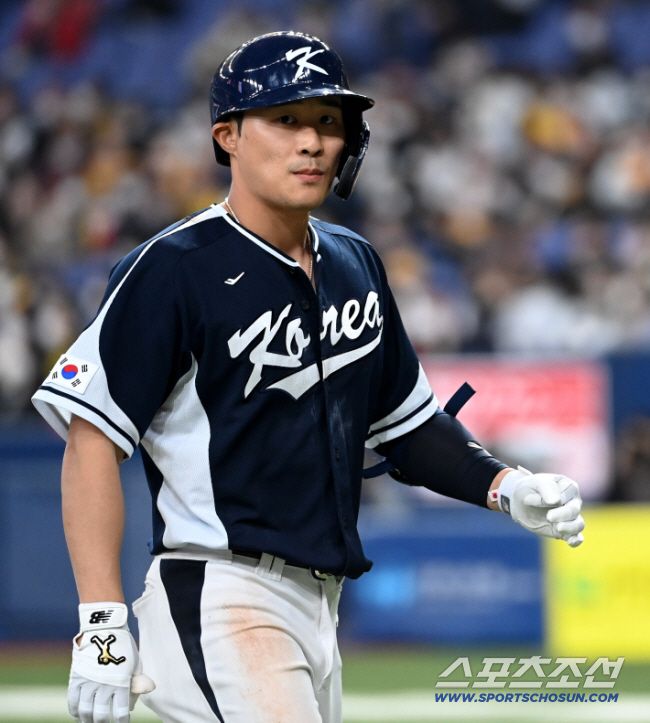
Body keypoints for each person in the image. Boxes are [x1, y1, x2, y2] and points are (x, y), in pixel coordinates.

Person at [32, 30, 585, 723]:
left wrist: (506, 486)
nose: (313, 142)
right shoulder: (174, 268)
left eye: (328, 121)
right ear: (228, 136)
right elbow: (91, 438)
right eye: (286, 119)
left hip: (319, 606)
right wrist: (103, 622)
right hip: (220, 593)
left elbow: (407, 427)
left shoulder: (356, 261)